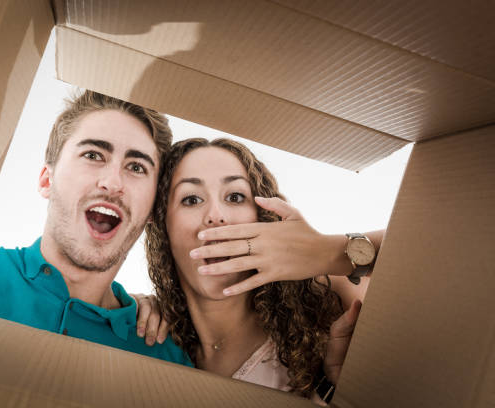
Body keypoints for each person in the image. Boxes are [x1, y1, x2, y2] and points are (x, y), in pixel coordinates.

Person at [0, 90, 191, 366]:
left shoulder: (167, 355)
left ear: (153, 208)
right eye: (93, 155)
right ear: (46, 181)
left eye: (136, 167)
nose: (112, 183)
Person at [145, 138, 384, 402]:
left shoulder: (330, 295)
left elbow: (429, 253)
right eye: (191, 199)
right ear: (160, 224)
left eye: (235, 197)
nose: (216, 215)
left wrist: (328, 251)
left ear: (261, 216)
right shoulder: (154, 335)